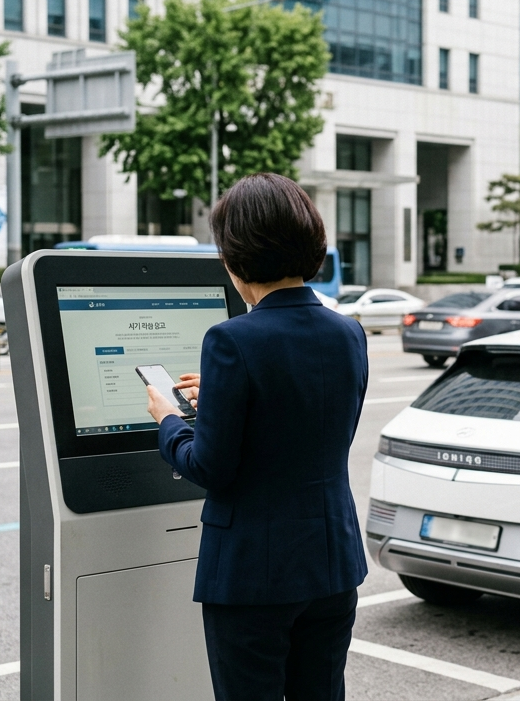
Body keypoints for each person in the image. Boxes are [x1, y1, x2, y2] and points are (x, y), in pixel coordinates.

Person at [144, 173, 369, 701]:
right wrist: (225, 396)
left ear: (235, 258)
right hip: (333, 564)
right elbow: (309, 418)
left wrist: (168, 420)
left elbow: (209, 467)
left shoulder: (231, 340)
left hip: (253, 575)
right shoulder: (348, 331)